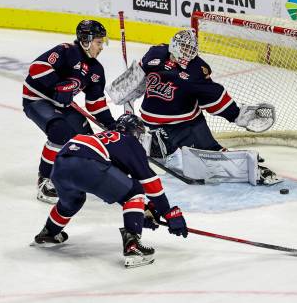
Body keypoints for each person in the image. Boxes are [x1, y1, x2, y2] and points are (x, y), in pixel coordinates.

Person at [32, 114, 188, 268]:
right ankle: (133, 247)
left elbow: (115, 186)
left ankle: (49, 232)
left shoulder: (105, 137)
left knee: (72, 202)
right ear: (134, 131)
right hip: (89, 164)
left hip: (60, 165)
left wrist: (141, 212)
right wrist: (168, 212)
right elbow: (149, 182)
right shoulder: (129, 141)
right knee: (135, 191)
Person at [137, 29, 280, 185]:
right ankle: (162, 146)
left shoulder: (196, 69)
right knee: (166, 154)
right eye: (185, 48)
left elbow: (213, 95)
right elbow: (137, 76)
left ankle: (246, 166)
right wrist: (124, 93)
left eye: (192, 50)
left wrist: (236, 114)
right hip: (151, 122)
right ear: (174, 46)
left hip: (187, 124)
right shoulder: (156, 53)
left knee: (210, 153)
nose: (188, 53)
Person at [23, 20, 116, 204]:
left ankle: (72, 174)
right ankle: (45, 180)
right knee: (60, 133)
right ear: (86, 40)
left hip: (63, 106)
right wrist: (57, 86)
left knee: (87, 141)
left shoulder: (96, 70)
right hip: (37, 99)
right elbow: (36, 67)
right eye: (98, 42)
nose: (101, 47)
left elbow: (95, 103)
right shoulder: (66, 51)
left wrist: (111, 124)